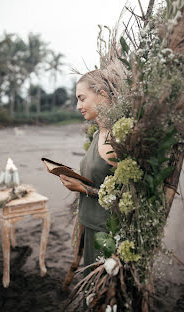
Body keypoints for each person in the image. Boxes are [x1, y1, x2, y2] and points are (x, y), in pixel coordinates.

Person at [60, 69, 118, 276]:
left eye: (81, 98)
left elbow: (126, 198)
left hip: (107, 233)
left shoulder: (116, 139)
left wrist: (82, 188)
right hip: (90, 225)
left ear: (102, 95)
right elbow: (102, 179)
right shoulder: (98, 135)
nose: (78, 106)